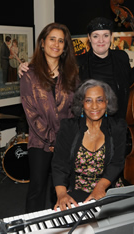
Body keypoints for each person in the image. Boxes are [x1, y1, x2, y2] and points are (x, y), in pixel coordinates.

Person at [18, 17, 134, 119]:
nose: (101, 40)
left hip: (118, 122)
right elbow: (53, 67)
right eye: (96, 36)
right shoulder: (78, 62)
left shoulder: (122, 57)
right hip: (90, 125)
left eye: (105, 35)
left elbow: (127, 80)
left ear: (111, 37)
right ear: (89, 38)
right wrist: (29, 67)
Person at [20, 22, 79, 213]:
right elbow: (32, 114)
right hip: (39, 142)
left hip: (66, 142)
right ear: (43, 43)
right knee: (37, 189)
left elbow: (74, 110)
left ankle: (60, 226)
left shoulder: (71, 74)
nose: (56, 44)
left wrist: (65, 138)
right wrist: (52, 139)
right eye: (52, 39)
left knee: (61, 188)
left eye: (61, 41)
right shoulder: (28, 74)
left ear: (65, 47)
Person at [51, 79, 127, 211]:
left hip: (108, 187)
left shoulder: (118, 127)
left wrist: (100, 188)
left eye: (99, 100)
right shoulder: (68, 128)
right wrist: (62, 194)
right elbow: (59, 165)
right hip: (77, 189)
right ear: (82, 103)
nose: (94, 106)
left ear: (107, 102)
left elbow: (117, 163)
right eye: (88, 100)